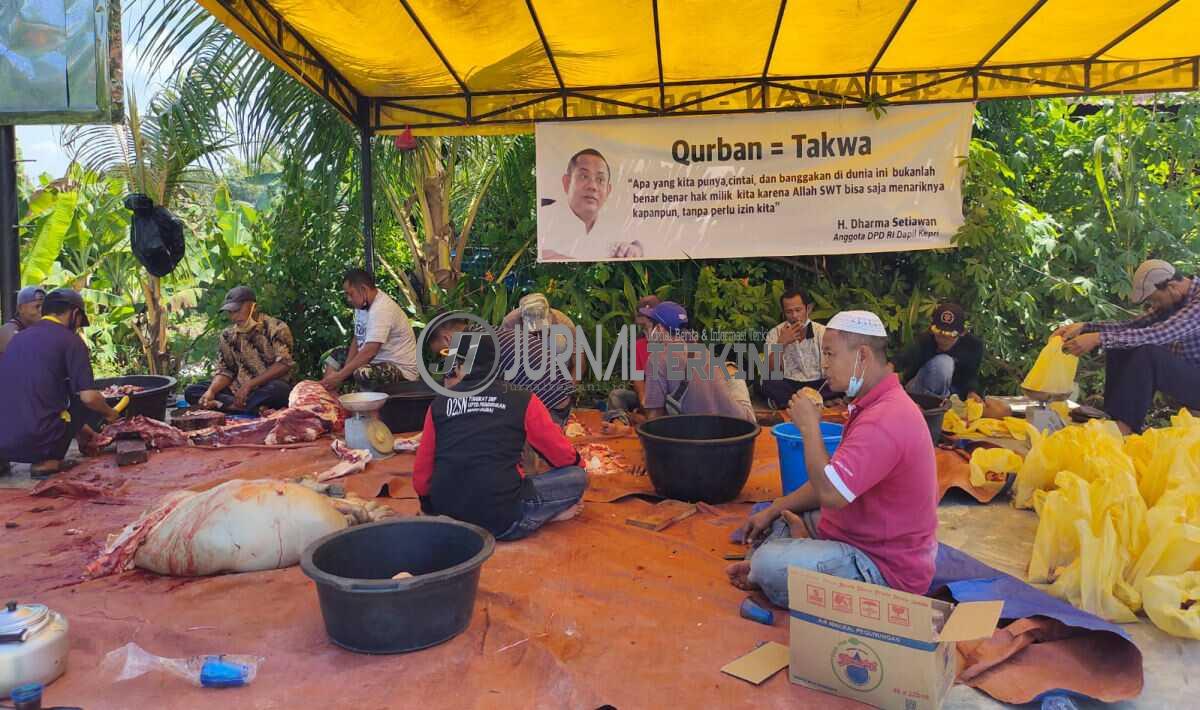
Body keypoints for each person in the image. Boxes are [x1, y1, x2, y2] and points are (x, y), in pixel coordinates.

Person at [726, 310, 938, 606]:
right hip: (852, 532)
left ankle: (782, 561)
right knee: (771, 517)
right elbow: (832, 478)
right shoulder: (872, 404)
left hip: (883, 568)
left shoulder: (886, 418)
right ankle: (800, 548)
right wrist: (776, 507)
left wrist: (809, 427)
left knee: (768, 564)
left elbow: (829, 493)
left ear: (862, 356)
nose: (824, 365)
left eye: (830, 354)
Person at [413, 335, 587, 540]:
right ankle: (545, 516)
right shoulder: (522, 398)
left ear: (460, 365)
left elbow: (422, 474)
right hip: (503, 521)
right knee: (577, 476)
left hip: (450, 519)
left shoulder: (439, 404)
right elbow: (559, 453)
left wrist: (428, 507)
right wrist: (579, 464)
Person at [1056, 259, 1200, 434]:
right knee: (1121, 344)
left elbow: (1159, 334)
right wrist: (1086, 328)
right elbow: (1131, 327)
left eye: (1155, 300)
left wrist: (1098, 338)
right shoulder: (1173, 298)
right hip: (1191, 375)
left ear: (1171, 287)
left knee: (1149, 351)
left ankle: (1125, 427)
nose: (1154, 306)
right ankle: (1113, 417)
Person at [0, 289, 121, 477]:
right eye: (81, 320)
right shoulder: (70, 340)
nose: (79, 326)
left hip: (4, 443)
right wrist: (110, 413)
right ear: (74, 314)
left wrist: (85, 431)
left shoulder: (19, 338)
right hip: (36, 442)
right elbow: (88, 398)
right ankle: (46, 463)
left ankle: (81, 440)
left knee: (64, 397)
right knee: (82, 396)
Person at [427, 315, 577, 425]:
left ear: (447, 339)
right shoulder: (484, 332)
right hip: (560, 404)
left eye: (443, 352)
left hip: (548, 412)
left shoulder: (469, 346)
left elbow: (451, 395)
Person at [186, 286, 295, 414]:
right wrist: (211, 391)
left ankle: (230, 406)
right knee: (193, 391)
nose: (234, 317)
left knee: (279, 390)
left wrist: (250, 385)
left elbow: (284, 364)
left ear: (253, 306)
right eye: (230, 312)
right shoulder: (227, 335)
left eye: (237, 310)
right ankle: (251, 408)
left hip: (266, 389)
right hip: (238, 390)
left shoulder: (276, 327)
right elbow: (226, 370)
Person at [640, 301, 755, 423]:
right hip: (741, 425)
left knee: (732, 374)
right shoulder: (703, 351)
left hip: (702, 433)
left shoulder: (657, 359)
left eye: (650, 325)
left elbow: (654, 419)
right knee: (728, 372)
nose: (647, 331)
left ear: (659, 329)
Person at [322, 268, 421, 393]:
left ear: (363, 289)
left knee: (363, 373)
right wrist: (344, 371)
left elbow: (370, 351)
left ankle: (367, 410)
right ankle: (329, 400)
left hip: (401, 371)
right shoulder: (362, 305)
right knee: (336, 356)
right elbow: (358, 338)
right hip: (375, 362)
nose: (348, 299)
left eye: (350, 294)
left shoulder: (381, 309)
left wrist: (341, 376)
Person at [539, 148, 643, 261]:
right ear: (567, 183)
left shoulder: (614, 224)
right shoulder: (546, 217)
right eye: (584, 176)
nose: (592, 186)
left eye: (600, 179)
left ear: (608, 191)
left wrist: (635, 249)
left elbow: (638, 243)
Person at [898, 302, 984, 401]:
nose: (943, 340)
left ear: (962, 333)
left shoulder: (973, 346)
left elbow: (971, 375)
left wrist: (972, 392)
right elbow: (902, 358)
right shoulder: (925, 340)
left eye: (949, 336)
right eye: (939, 334)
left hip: (952, 393)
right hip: (919, 389)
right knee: (944, 362)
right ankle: (934, 405)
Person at [761, 288, 828, 408]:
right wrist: (781, 343)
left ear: (808, 309)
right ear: (783, 313)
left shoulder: (822, 332)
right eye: (789, 312)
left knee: (838, 383)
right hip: (789, 384)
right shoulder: (775, 333)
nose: (794, 316)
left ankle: (790, 404)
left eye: (798, 310)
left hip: (818, 384)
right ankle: (811, 404)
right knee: (768, 383)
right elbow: (770, 371)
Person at [605, 294, 661, 421]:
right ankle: (621, 425)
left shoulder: (671, 342)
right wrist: (644, 404)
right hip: (647, 398)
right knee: (617, 396)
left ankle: (641, 421)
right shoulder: (639, 345)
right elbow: (638, 381)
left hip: (667, 399)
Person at [0, 285, 45, 356]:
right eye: (37, 306)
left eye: (44, 306)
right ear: (21, 308)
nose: (41, 310)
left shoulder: (35, 328)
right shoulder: (10, 331)